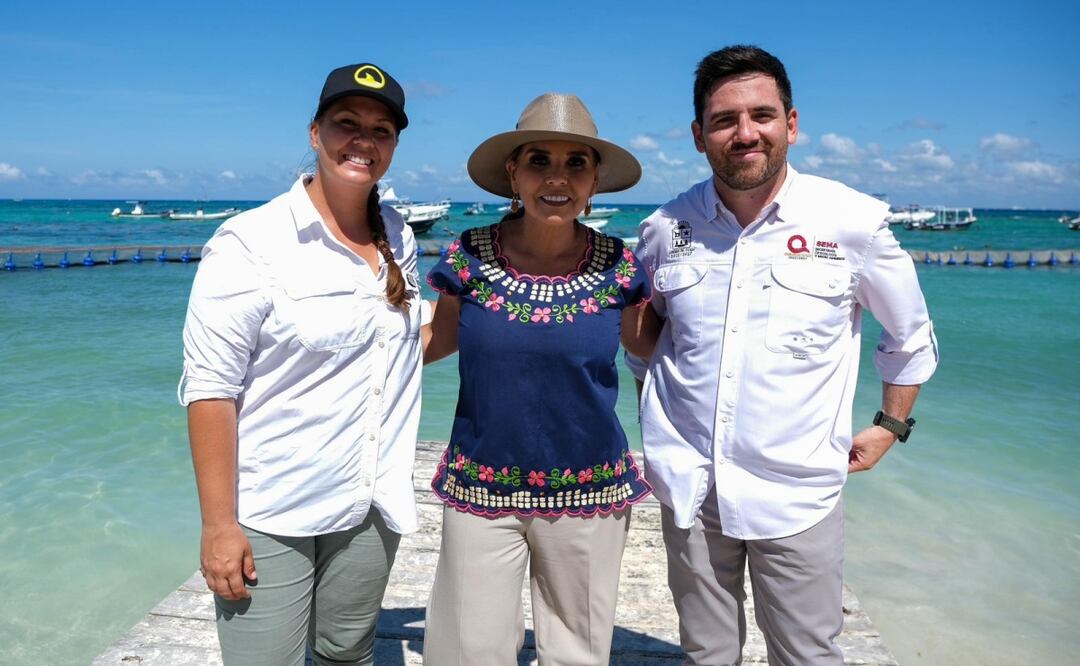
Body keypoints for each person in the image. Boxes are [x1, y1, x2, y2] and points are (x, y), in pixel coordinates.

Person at [627, 45, 939, 665]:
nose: (745, 134)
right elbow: (647, 336)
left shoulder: (851, 221)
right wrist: (656, 415)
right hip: (690, 486)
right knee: (706, 653)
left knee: (805, 653)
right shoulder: (664, 229)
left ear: (790, 125)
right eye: (724, 120)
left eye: (762, 115)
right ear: (698, 135)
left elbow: (909, 336)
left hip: (797, 491)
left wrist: (890, 426)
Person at [179, 62, 428, 665]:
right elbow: (210, 389)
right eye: (347, 124)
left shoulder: (398, 235)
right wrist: (218, 526)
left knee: (347, 652)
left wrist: (514, 307)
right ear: (315, 132)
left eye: (381, 130)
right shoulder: (250, 243)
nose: (363, 142)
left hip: (369, 499)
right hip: (273, 507)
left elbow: (403, 343)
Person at [421, 92, 658, 666]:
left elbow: (658, 348)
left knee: (577, 652)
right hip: (481, 488)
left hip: (590, 491)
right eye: (540, 161)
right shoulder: (470, 255)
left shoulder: (620, 265)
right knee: (467, 652)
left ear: (595, 179)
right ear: (513, 173)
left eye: (577, 162)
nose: (558, 178)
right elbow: (435, 341)